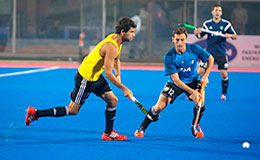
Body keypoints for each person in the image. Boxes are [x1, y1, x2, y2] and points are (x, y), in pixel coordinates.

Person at [25, 17, 136, 141]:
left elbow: (116, 58)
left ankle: (108, 133)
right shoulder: (111, 46)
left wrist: (118, 73)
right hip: (85, 78)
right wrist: (124, 89)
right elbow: (108, 74)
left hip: (95, 77)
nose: (133, 35)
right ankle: (35, 113)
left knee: (113, 101)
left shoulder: (117, 41)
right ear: (122, 32)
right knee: (73, 110)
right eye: (131, 32)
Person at [134, 27, 214, 138]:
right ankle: (142, 127)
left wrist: (205, 76)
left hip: (193, 81)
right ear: (173, 39)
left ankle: (195, 125)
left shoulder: (194, 48)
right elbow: (176, 80)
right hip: (175, 83)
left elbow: (210, 59)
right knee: (158, 107)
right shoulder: (169, 57)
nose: (180, 43)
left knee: (200, 102)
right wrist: (192, 92)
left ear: (186, 39)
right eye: (177, 40)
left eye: (182, 40)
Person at [194, 4, 237, 100]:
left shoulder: (226, 24)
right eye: (216, 10)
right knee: (200, 72)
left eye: (219, 10)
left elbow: (235, 36)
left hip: (221, 53)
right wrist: (197, 33)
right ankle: (193, 92)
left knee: (224, 74)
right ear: (212, 12)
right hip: (209, 53)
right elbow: (200, 36)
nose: (218, 12)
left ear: (221, 13)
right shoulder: (207, 24)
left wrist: (228, 35)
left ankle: (224, 94)